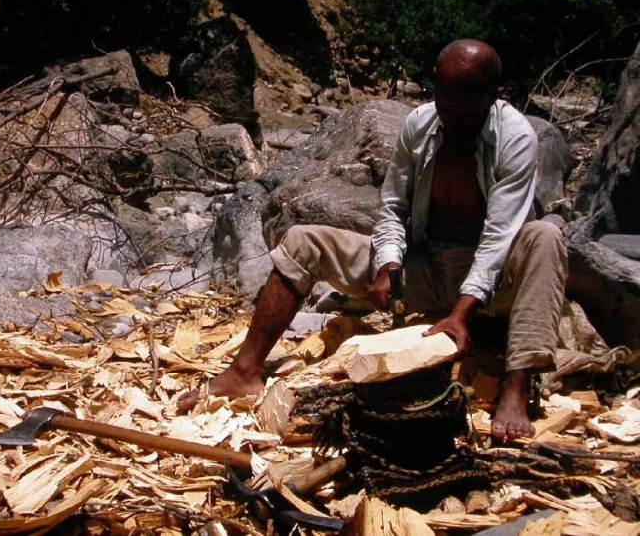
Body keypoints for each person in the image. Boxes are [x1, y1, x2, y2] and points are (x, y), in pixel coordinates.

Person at [178, 39, 568, 441]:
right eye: (444, 107)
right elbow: (393, 207)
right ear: (434, 89)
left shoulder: (515, 138)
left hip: (493, 283)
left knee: (546, 235)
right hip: (428, 268)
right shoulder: (420, 124)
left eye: (465, 113)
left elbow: (499, 236)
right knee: (303, 241)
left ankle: (515, 387)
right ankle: (243, 373)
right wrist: (388, 264)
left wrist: (462, 312)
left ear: (494, 96)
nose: (451, 121)